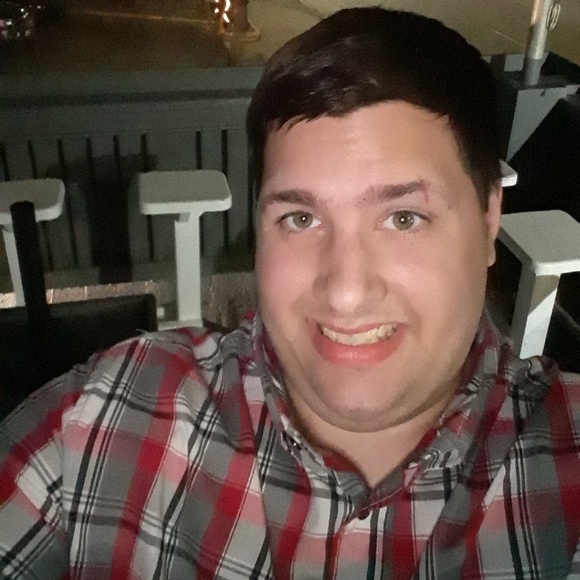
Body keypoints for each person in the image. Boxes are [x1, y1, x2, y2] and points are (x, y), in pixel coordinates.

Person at [1, 7, 580, 579]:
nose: (346, 293)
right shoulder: (109, 417)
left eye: (404, 218)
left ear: (487, 221)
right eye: (301, 219)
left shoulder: (563, 459)